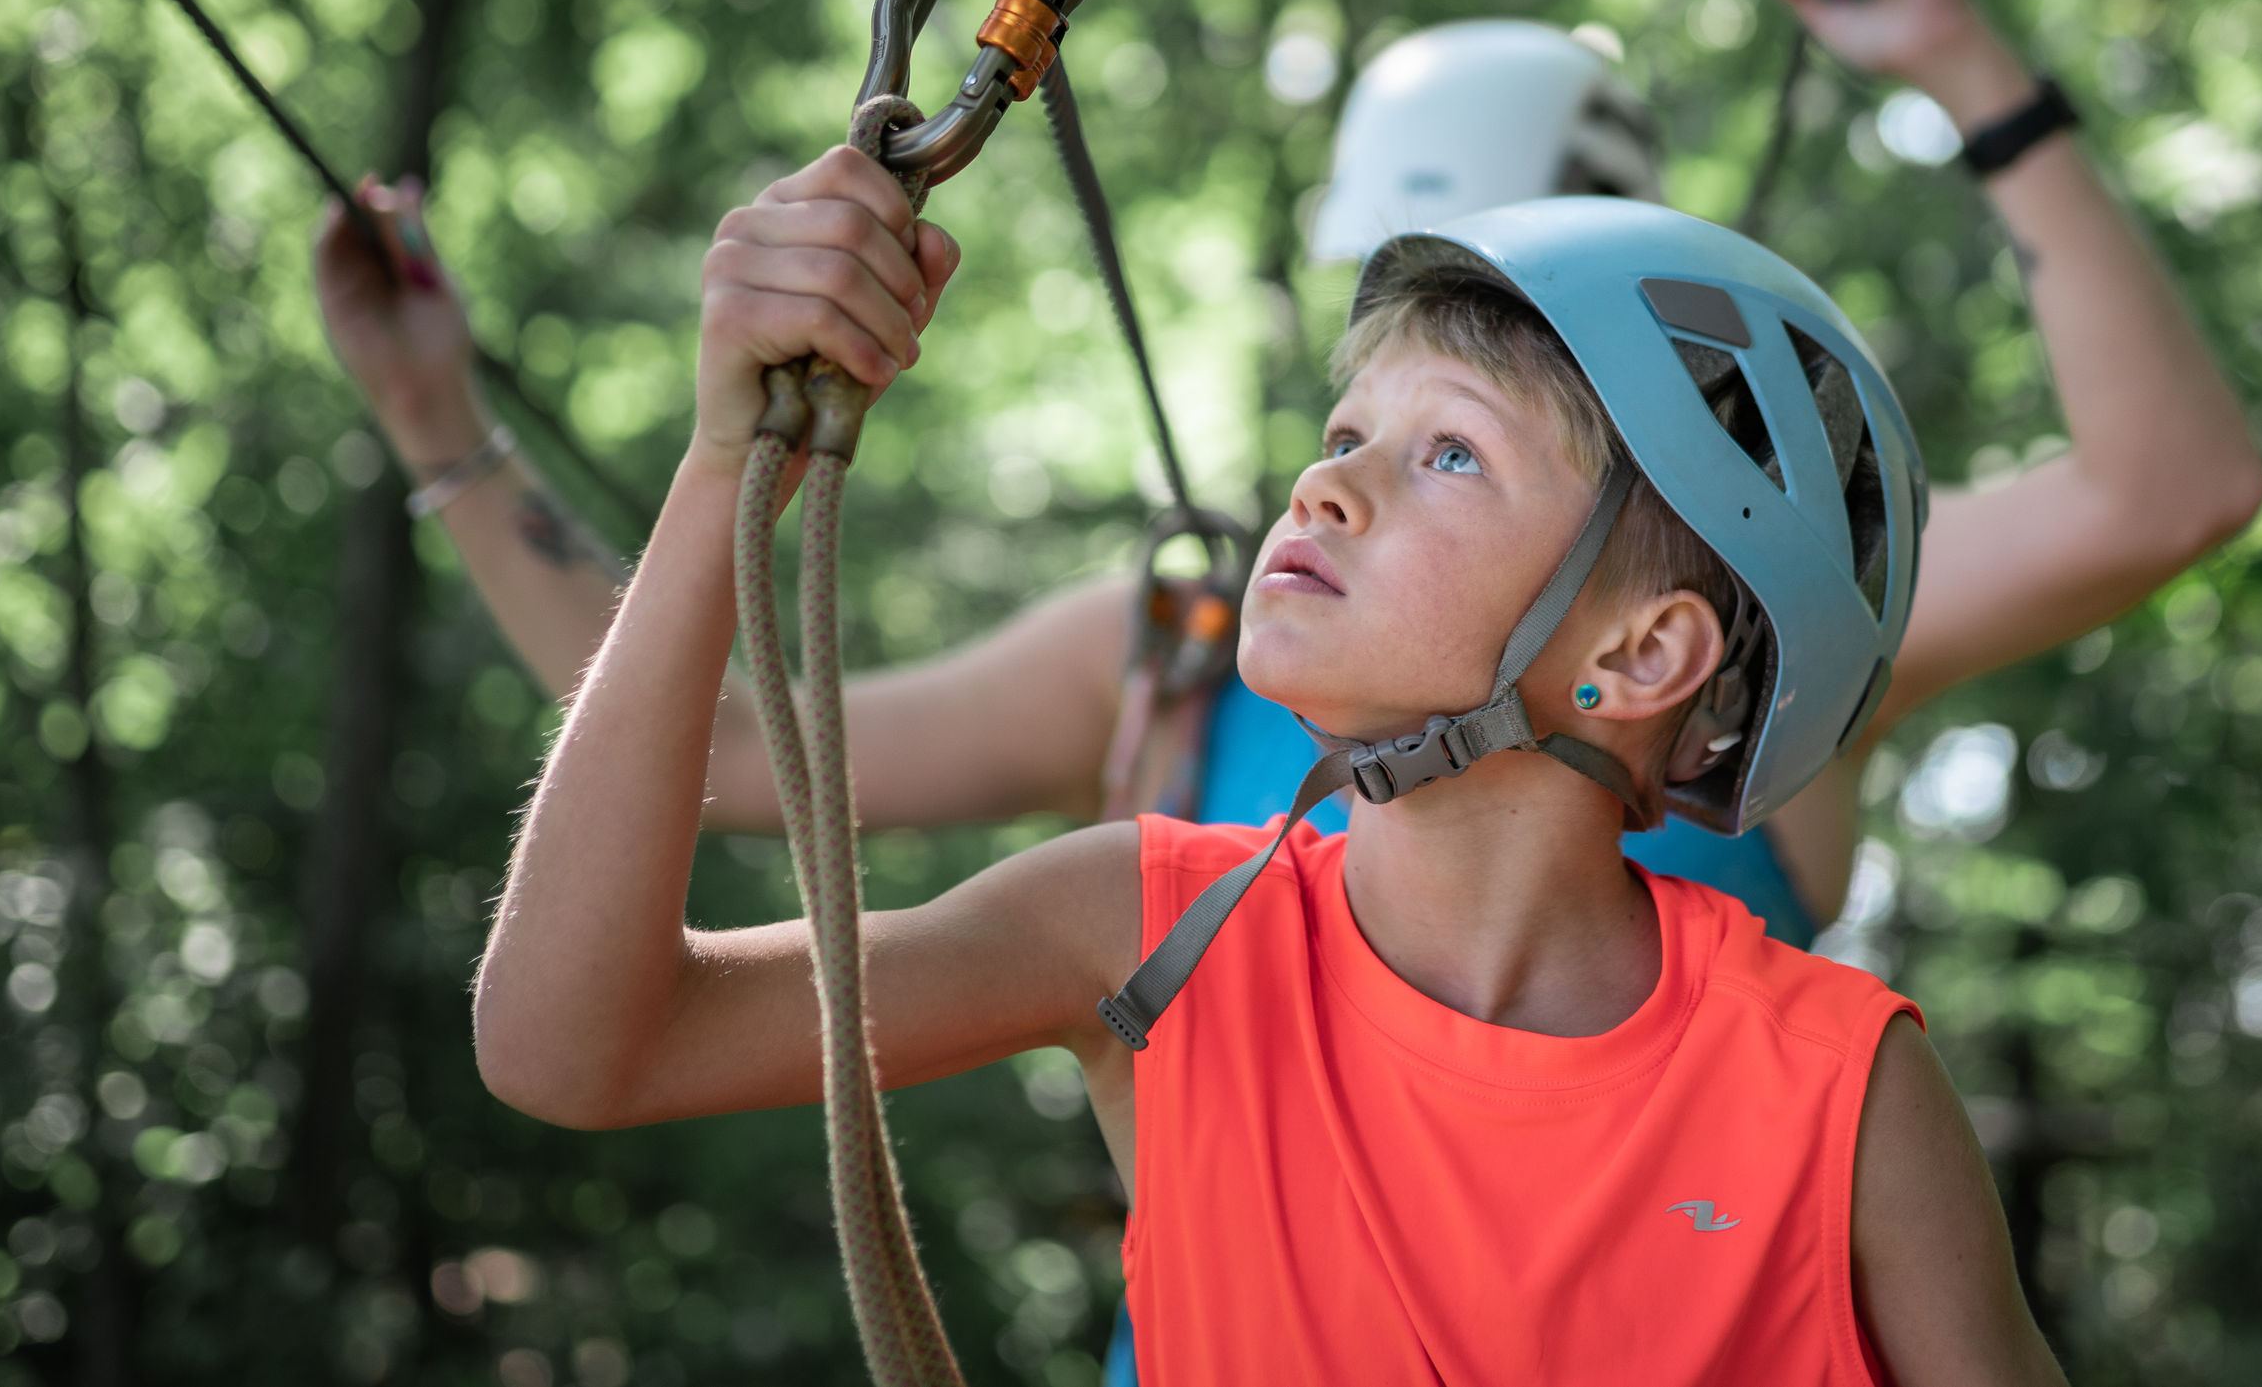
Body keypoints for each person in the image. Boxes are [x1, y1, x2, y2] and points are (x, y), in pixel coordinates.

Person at [314, 0, 2262, 943]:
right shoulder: (1181, 652)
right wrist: (445, 436)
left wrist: (1959, 65)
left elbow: (2166, 488)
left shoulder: (1744, 638)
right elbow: (724, 758)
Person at [471, 157, 2069, 1383]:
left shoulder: (1843, 1090)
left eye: (1447, 452)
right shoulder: (1155, 938)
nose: (1326, 482)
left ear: (1642, 658)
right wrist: (722, 463)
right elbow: (577, 1047)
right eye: (1345, 427)